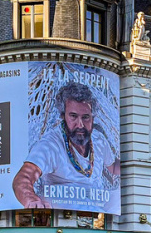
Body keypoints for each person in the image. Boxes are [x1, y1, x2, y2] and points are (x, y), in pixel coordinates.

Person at [12, 82, 120, 211]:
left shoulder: (98, 139)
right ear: (63, 116)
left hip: (97, 210)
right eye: (73, 116)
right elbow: (23, 178)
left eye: (86, 117)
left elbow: (113, 166)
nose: (80, 124)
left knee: (121, 196)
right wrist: (32, 200)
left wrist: (136, 169)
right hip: (65, 212)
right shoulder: (50, 145)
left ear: (93, 118)